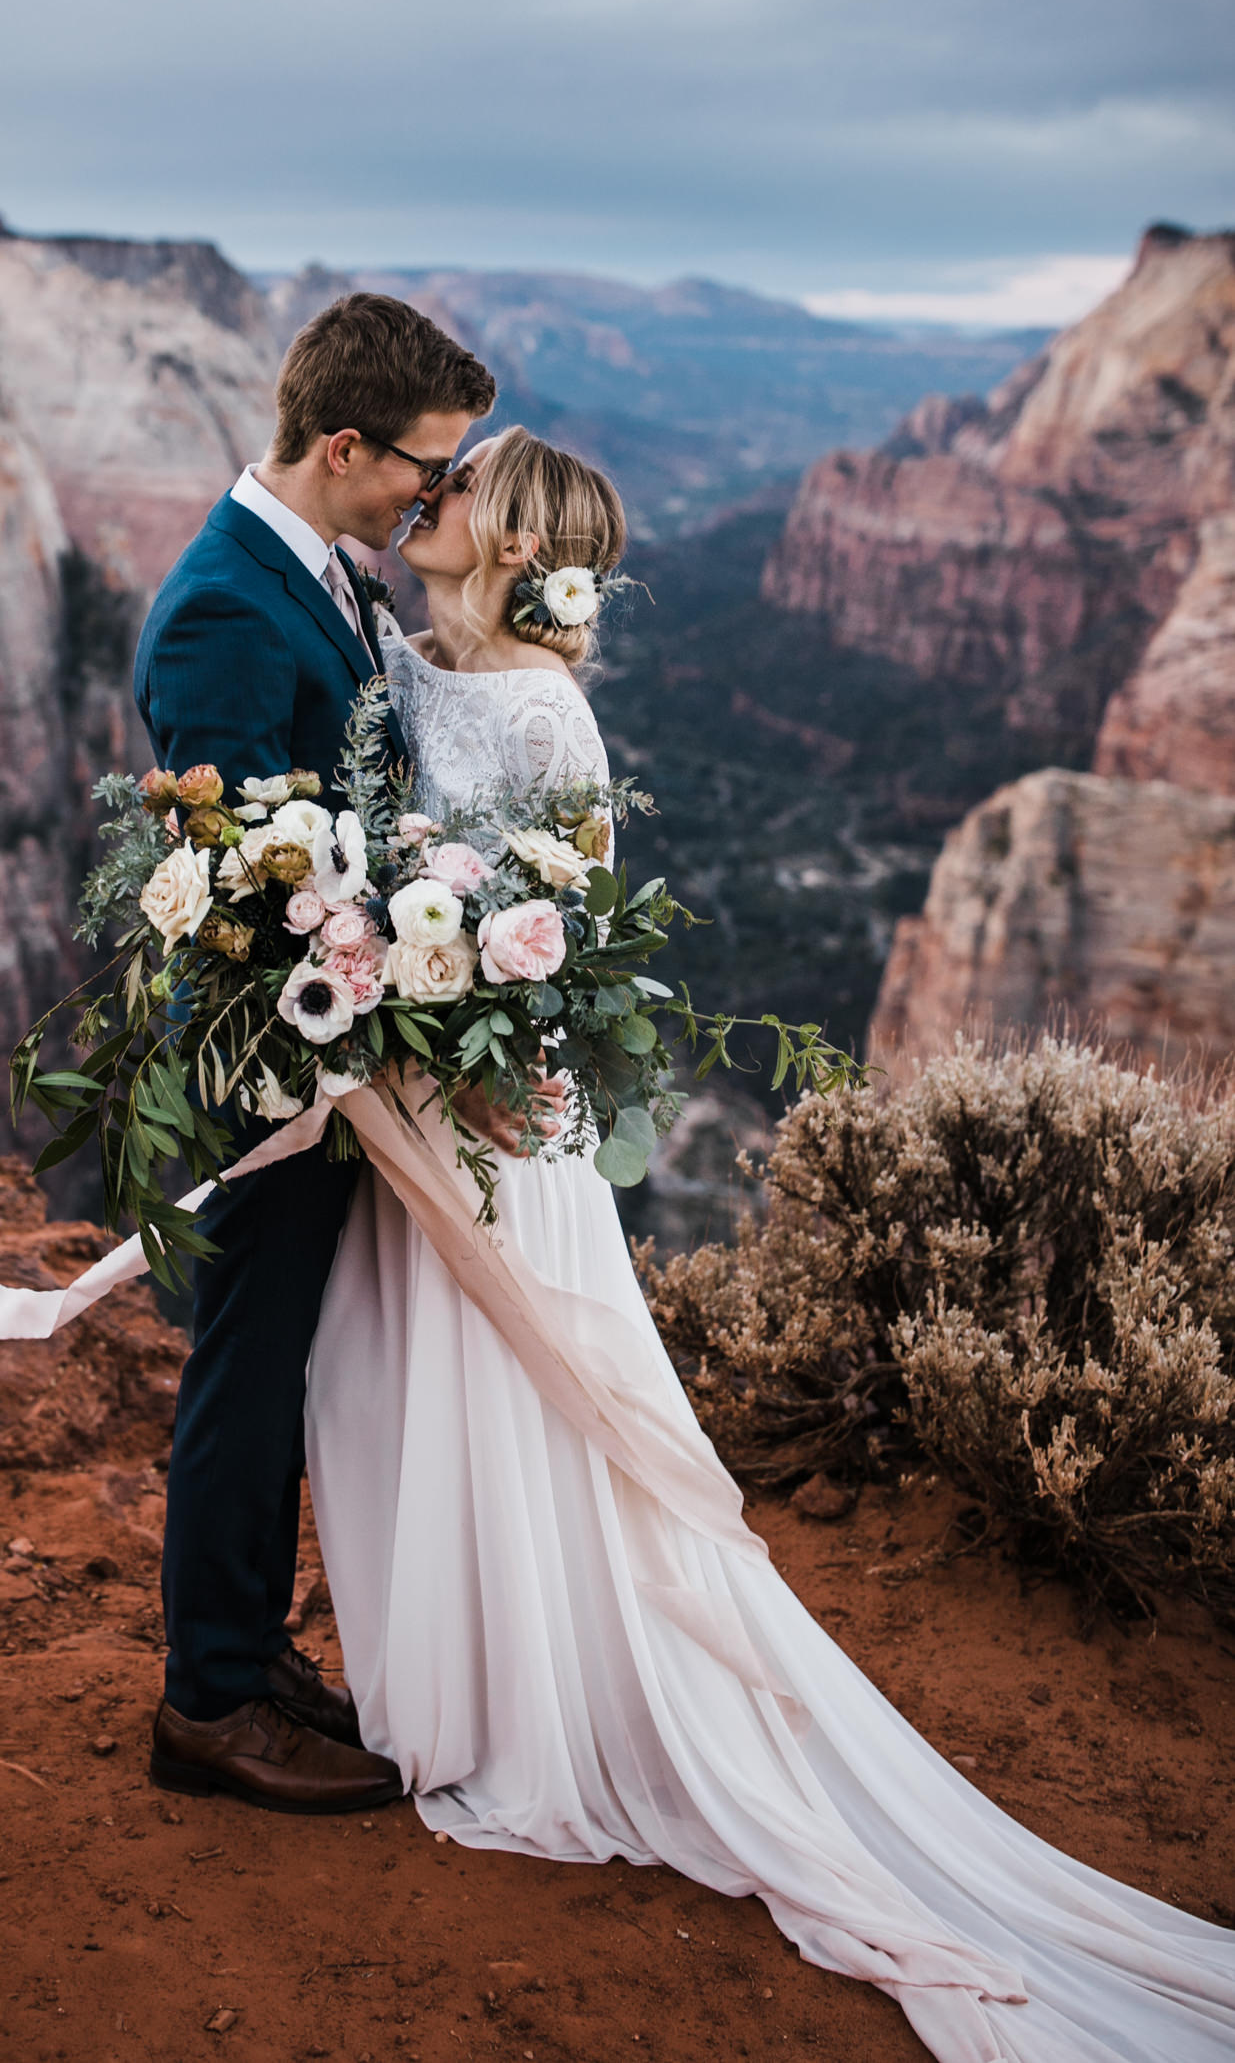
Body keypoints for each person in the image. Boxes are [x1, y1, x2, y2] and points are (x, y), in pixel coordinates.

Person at [303, 424, 1235, 2063]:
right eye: (430, 487)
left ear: (517, 546)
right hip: (405, 1104)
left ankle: (526, 1709)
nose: (429, 502)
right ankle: (439, 1685)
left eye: (461, 494)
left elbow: (557, 940)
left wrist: (465, 1020)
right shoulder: (401, 646)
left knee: (510, 1395)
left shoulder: (544, 712)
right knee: (394, 1381)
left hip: (497, 1118)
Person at [132, 290, 494, 1814]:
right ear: (341, 445)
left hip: (334, 1051)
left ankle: (251, 1650)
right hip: (268, 1067)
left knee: (280, 1370)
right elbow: (237, 875)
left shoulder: (320, 568)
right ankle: (208, 1698)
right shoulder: (223, 602)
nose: (438, 495)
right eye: (426, 467)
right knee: (247, 1369)